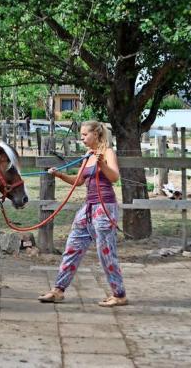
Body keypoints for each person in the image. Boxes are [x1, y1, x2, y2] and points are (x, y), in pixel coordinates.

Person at [38, 120, 128, 307]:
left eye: (85, 135)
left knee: (106, 252)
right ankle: (58, 290)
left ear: (96, 134)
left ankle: (119, 294)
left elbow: (114, 177)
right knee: (72, 247)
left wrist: (102, 163)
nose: (82, 138)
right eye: (81, 135)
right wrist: (60, 175)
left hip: (104, 208)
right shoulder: (87, 155)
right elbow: (79, 181)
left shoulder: (108, 153)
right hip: (88, 208)